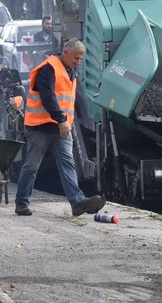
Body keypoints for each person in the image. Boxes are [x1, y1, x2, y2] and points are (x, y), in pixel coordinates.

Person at [14, 38, 105, 217]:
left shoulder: (71, 71)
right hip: (41, 126)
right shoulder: (48, 69)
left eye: (80, 59)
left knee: (67, 164)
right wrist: (61, 119)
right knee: (32, 166)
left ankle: (77, 202)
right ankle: (21, 203)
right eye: (75, 58)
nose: (78, 62)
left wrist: (64, 122)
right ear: (65, 52)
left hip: (61, 127)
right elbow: (48, 97)